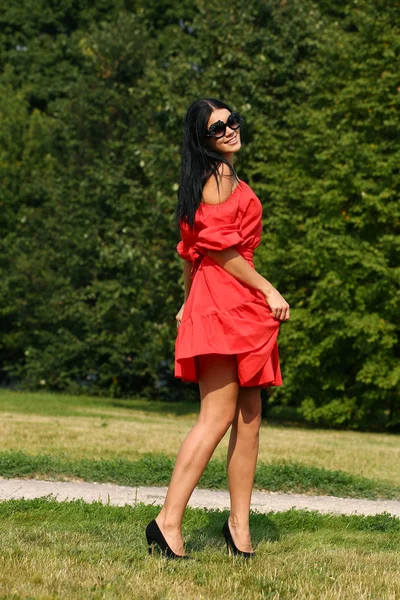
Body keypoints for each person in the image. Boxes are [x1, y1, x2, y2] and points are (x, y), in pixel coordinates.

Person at [145, 98, 290, 559]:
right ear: (202, 140)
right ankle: (166, 522)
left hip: (229, 300)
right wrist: (268, 289)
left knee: (249, 416)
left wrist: (188, 299)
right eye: (216, 128)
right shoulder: (219, 177)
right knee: (219, 416)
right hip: (228, 300)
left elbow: (194, 249)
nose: (229, 130)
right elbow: (221, 252)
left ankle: (238, 528)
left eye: (232, 121)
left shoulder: (214, 177)